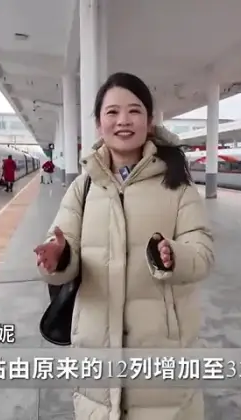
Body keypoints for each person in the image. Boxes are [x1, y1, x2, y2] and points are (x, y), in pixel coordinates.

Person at [33, 72, 214, 420]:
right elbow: (63, 241)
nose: (123, 121)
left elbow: (202, 249)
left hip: (164, 350)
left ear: (149, 120)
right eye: (112, 112)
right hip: (97, 349)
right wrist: (58, 258)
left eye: (134, 111)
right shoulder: (83, 187)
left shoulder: (176, 183)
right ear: (99, 123)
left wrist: (175, 257)